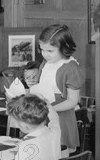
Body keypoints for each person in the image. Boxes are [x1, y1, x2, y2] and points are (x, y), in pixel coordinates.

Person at [30, 24, 83, 152]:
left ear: (64, 48)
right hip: (43, 116)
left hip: (61, 119)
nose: (45, 55)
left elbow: (72, 101)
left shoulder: (71, 68)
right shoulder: (46, 63)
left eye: (50, 51)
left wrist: (50, 109)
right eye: (42, 50)